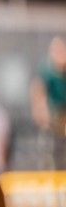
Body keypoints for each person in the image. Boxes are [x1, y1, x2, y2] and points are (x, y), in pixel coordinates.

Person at [31, 35, 66, 169]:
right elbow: (39, 92)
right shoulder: (47, 71)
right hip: (53, 115)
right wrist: (41, 112)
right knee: (51, 148)